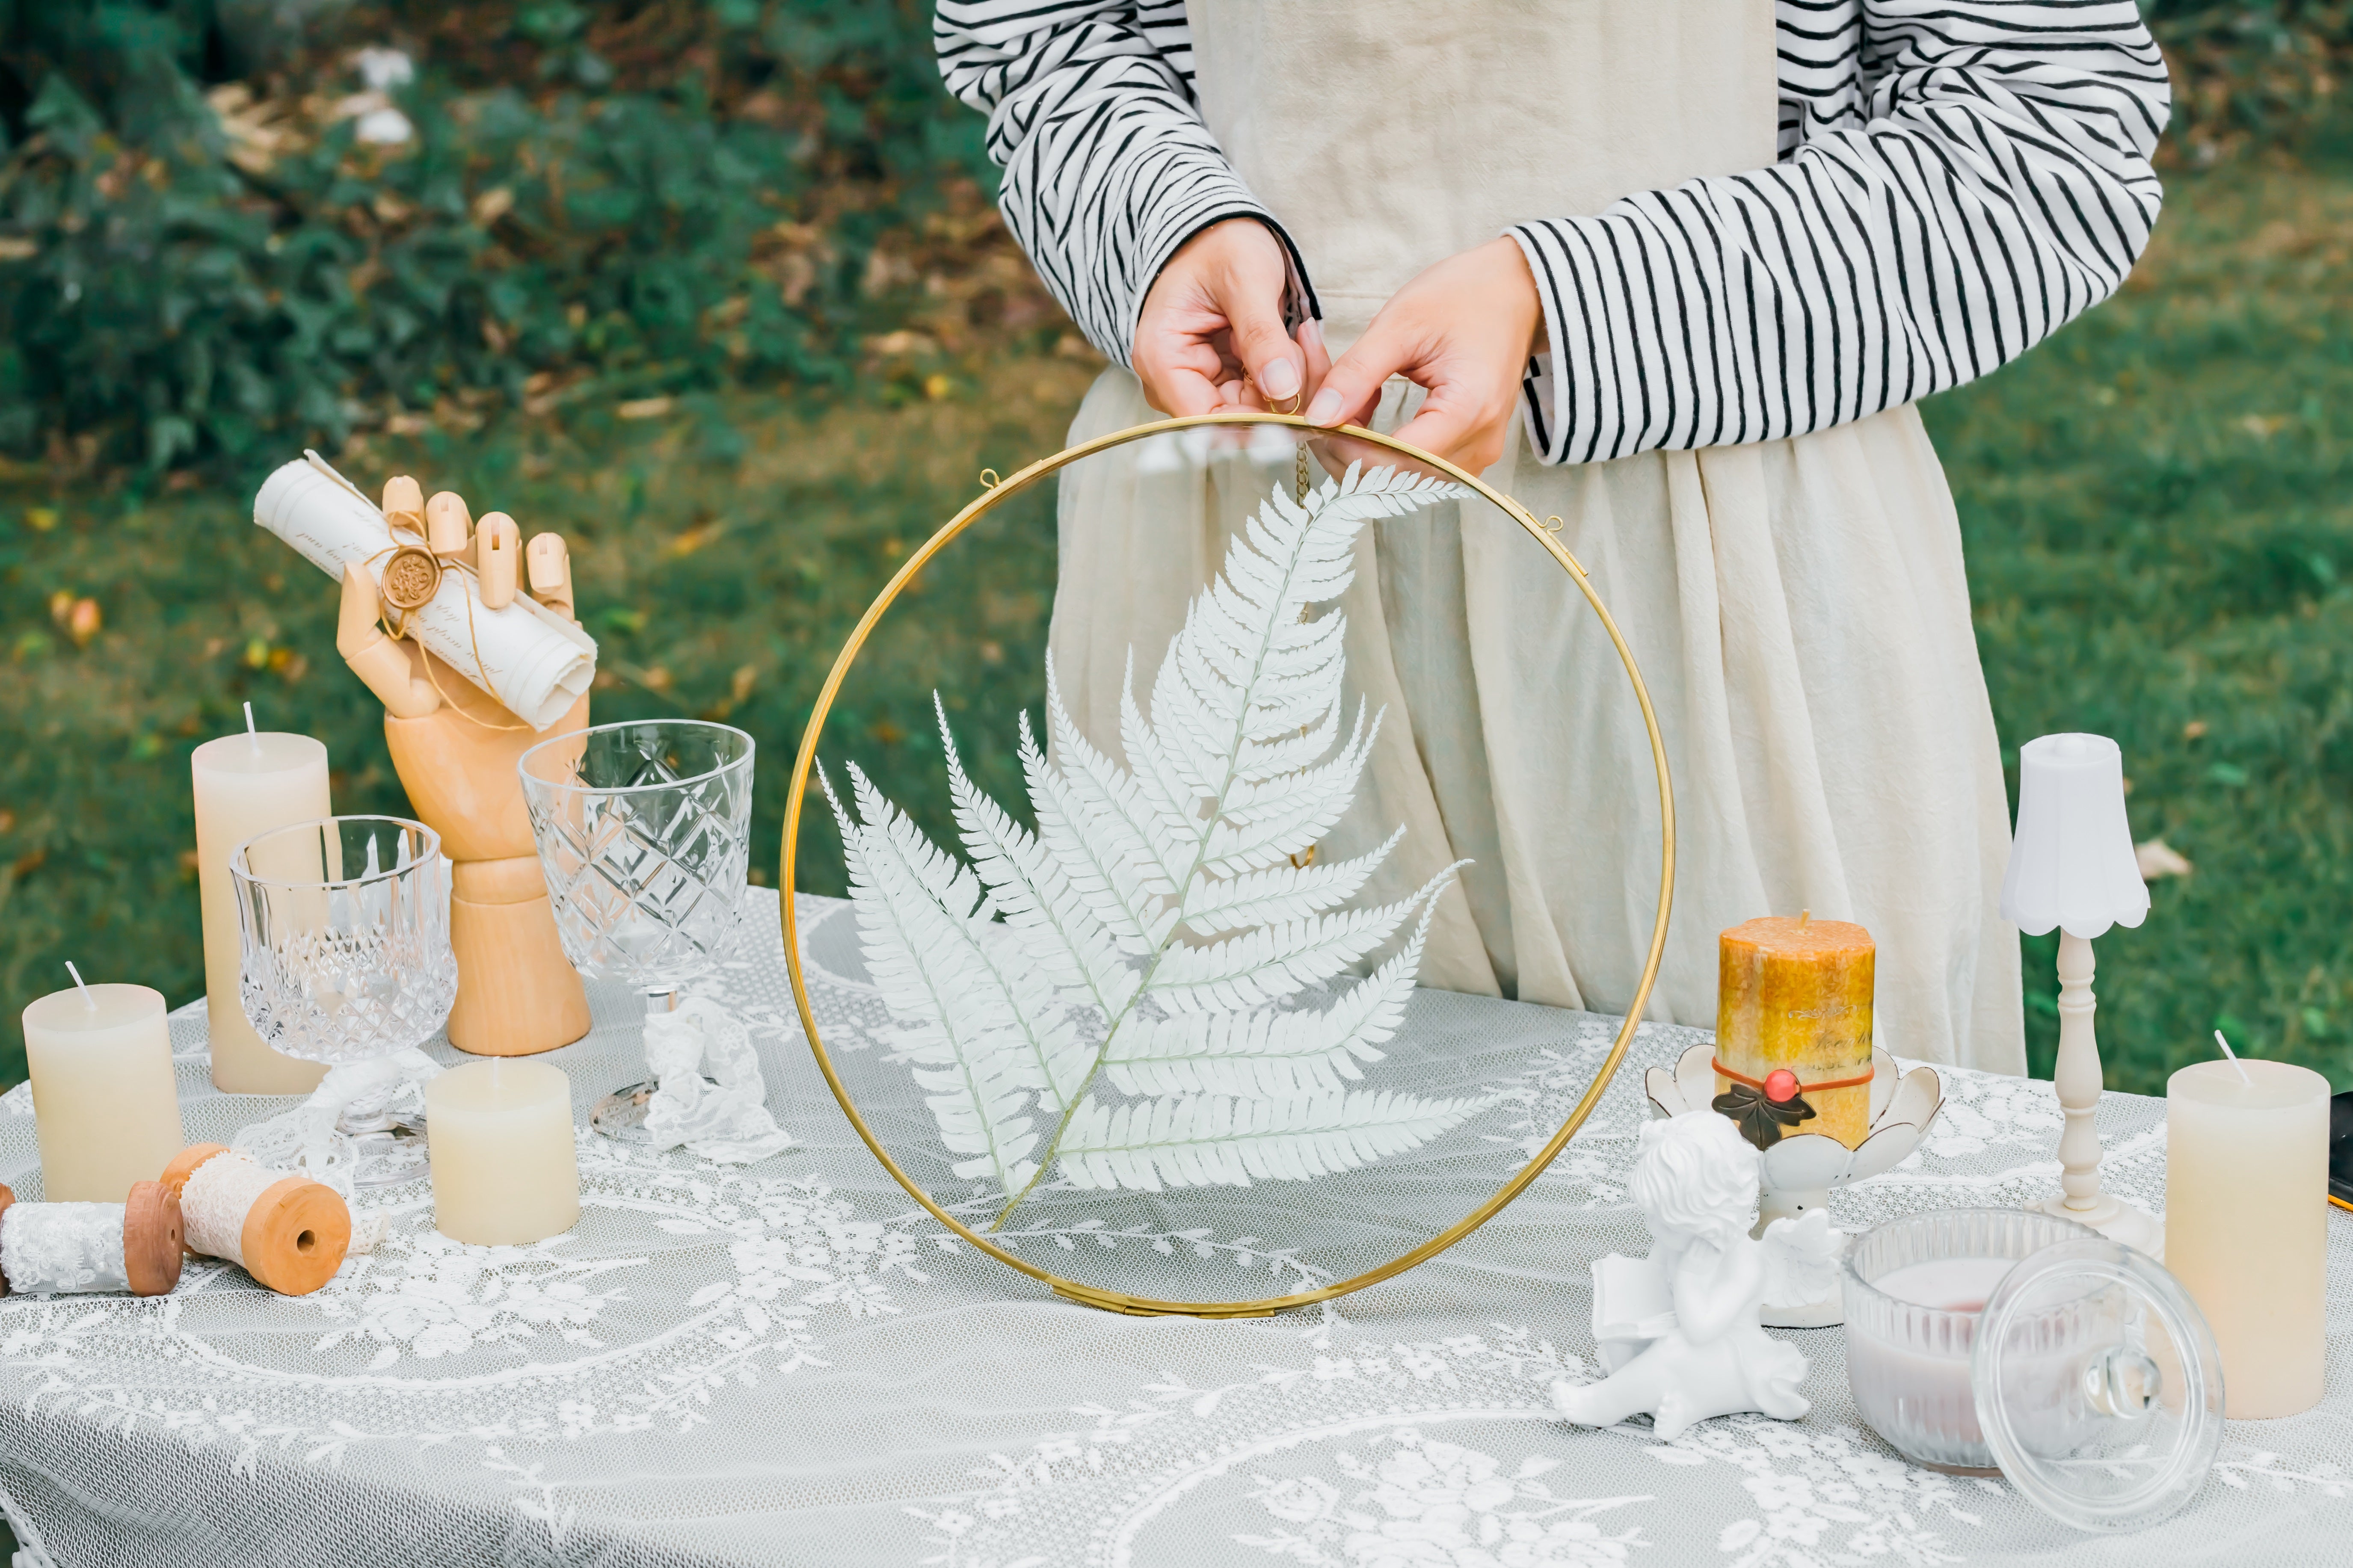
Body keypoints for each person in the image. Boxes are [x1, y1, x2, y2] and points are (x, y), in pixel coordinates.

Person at [933, 2, 2170, 1074]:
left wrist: (1564, 304)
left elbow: (2044, 138)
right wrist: (1162, 231)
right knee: (1221, 1253)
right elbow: (1040, 41)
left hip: (1708, 593)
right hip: (1234, 574)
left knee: (1757, 1240)